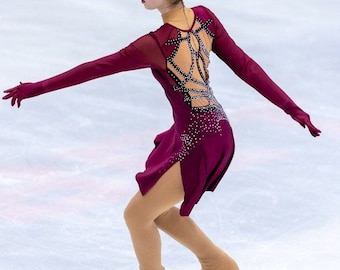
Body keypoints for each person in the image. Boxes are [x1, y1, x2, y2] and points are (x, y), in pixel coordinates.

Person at [2, 0, 321, 269]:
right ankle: (217, 264)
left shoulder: (156, 44)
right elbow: (247, 68)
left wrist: (39, 88)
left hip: (201, 138)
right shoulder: (205, 19)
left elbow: (96, 68)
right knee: (160, 213)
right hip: (210, 130)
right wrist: (292, 109)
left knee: (136, 214)